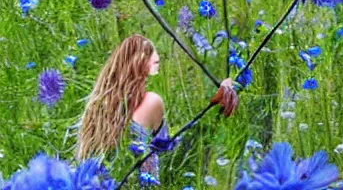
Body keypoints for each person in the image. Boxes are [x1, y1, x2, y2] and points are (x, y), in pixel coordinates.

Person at [75, 34, 237, 183]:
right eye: (149, 53)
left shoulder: (98, 106)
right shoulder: (151, 102)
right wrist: (217, 101)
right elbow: (170, 154)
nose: (157, 57)